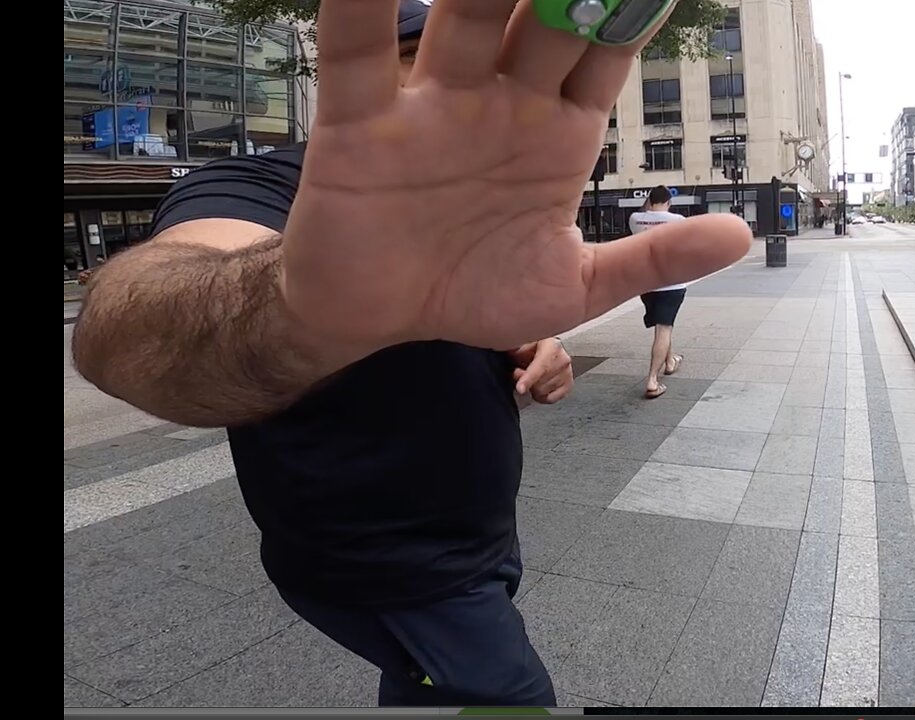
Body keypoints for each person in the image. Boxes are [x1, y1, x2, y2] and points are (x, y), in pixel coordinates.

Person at [70, 0, 751, 708]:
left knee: (422, 691)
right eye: (420, 64)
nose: (477, 92)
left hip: (476, 542)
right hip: (386, 563)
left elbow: (450, 307)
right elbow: (135, 337)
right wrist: (294, 312)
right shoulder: (258, 184)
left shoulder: (487, 197)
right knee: (508, 701)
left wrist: (527, 343)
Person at [628, 186, 687, 399]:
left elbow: (644, 214)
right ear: (669, 202)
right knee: (664, 328)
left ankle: (670, 361)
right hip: (671, 283)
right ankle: (652, 380)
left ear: (649, 200)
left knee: (663, 325)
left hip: (646, 284)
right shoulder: (678, 220)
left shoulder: (635, 219)